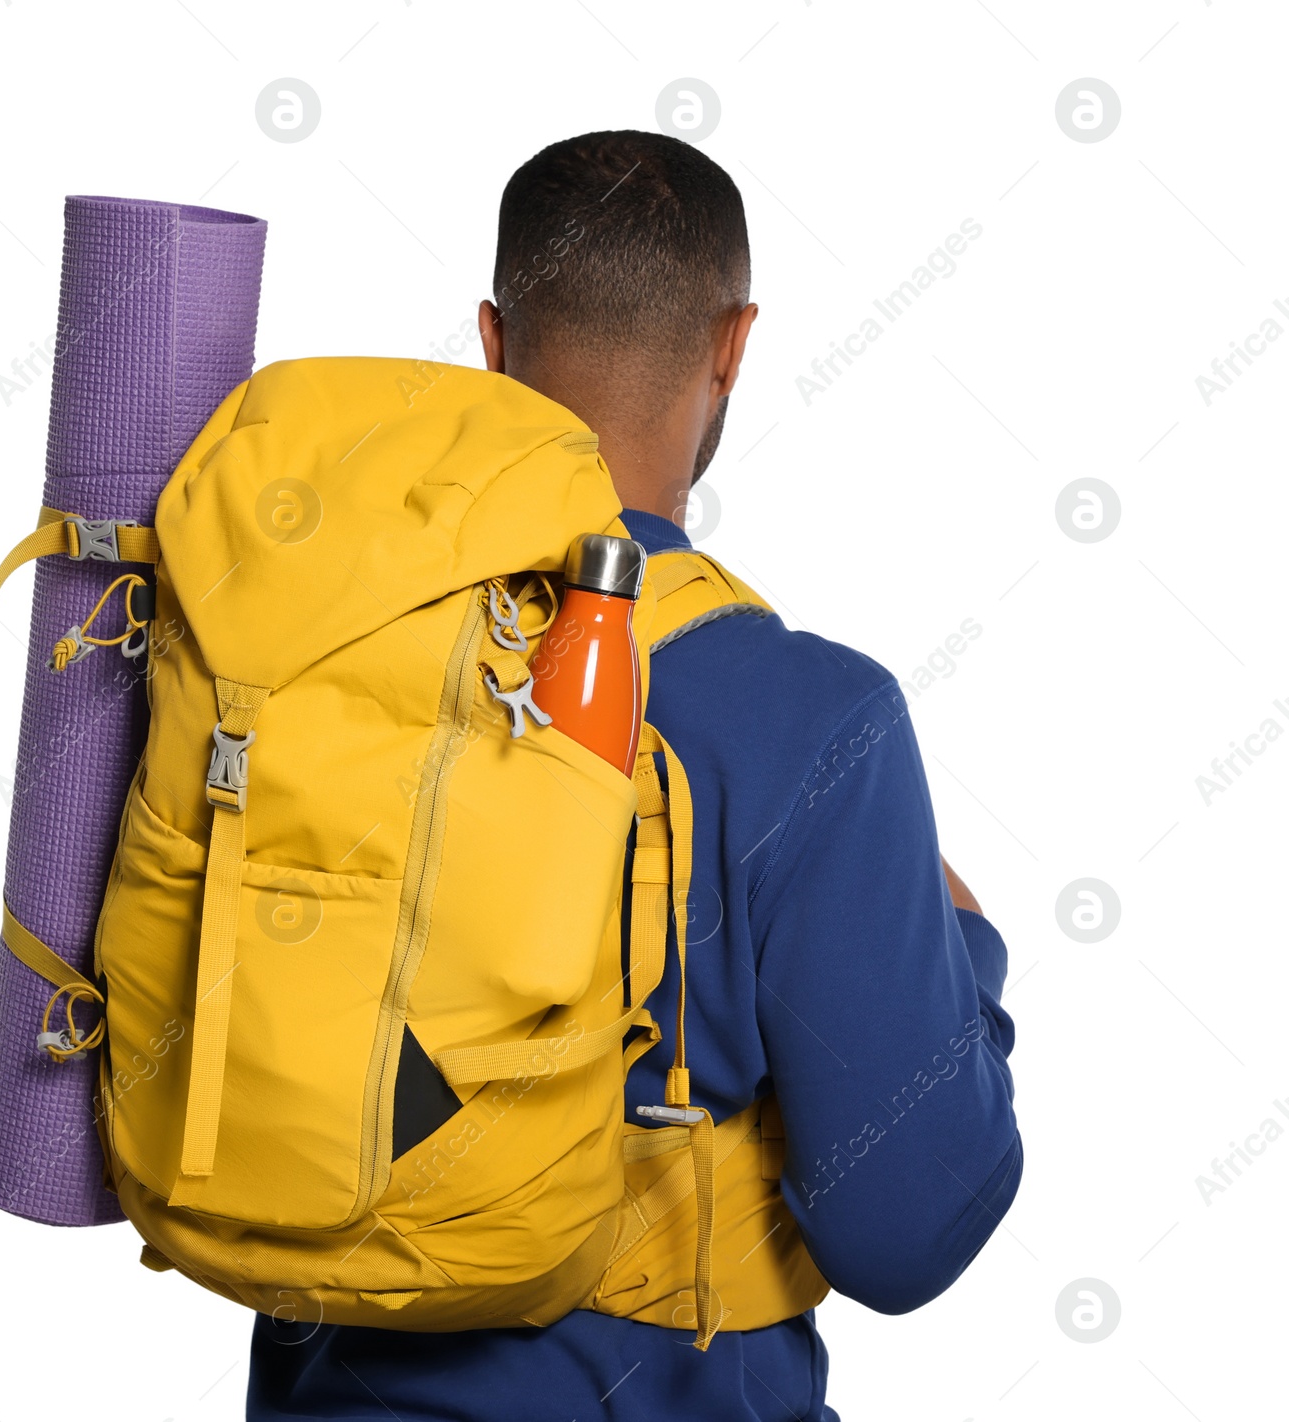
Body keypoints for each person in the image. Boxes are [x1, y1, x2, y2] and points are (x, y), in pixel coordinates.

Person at [249, 129, 1021, 1422]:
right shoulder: (817, 721)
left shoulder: (306, 651)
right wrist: (966, 946)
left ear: (493, 342)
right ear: (734, 344)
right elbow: (909, 1233)